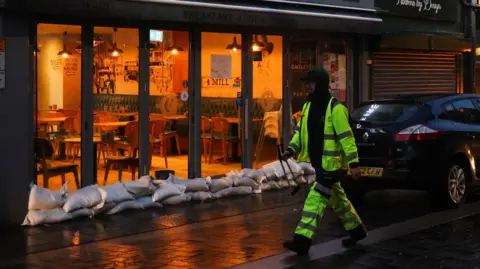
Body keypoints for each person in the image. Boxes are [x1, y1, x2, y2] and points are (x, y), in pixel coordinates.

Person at [282, 67, 367, 255]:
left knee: (315, 199)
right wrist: (291, 149)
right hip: (318, 163)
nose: (308, 87)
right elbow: (300, 133)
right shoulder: (307, 107)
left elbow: (347, 137)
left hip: (332, 165)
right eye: (307, 84)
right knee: (339, 200)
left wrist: (353, 164)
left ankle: (302, 240)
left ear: (320, 84)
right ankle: (357, 231)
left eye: (311, 83)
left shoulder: (336, 109)